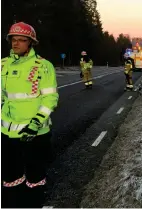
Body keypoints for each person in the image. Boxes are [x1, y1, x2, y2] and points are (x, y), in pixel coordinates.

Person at [1, 22, 59, 208]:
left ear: (31, 43)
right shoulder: (3, 65)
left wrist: (35, 124)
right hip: (8, 134)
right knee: (10, 177)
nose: (16, 44)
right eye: (13, 40)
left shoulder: (43, 66)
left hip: (34, 133)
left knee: (35, 177)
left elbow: (50, 99)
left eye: (21, 40)